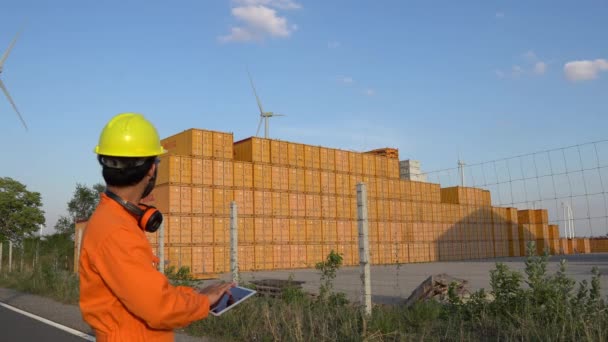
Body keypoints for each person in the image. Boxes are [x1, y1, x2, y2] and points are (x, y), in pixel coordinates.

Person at [79, 112, 234, 341]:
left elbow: (145, 291)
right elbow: (158, 308)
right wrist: (203, 302)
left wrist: (193, 295)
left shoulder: (114, 218)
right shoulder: (117, 231)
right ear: (151, 169)